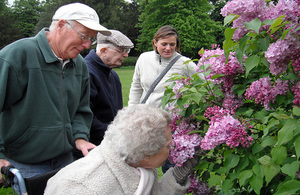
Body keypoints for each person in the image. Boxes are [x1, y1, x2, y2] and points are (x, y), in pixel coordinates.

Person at [0, 2, 111, 185]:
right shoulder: (18, 55)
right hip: (27, 162)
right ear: (60, 25)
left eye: (92, 39)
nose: (87, 45)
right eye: (84, 36)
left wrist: (80, 138)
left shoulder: (80, 65)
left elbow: (81, 111)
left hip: (66, 160)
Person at [44, 104, 199, 195]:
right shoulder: (83, 189)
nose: (173, 148)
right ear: (148, 154)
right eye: (168, 145)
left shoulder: (135, 161)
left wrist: (179, 174)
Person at [128, 25, 202, 173]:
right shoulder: (144, 59)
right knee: (144, 164)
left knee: (171, 167)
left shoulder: (185, 64)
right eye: (164, 44)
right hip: (146, 123)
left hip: (172, 125)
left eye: (172, 44)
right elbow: (136, 87)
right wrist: (131, 112)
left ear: (177, 45)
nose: (168, 48)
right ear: (155, 42)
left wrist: (192, 110)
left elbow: (204, 86)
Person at [85, 30, 134, 146]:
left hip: (110, 142)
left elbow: (117, 112)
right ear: (103, 50)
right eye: (121, 50)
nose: (126, 55)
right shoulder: (85, 72)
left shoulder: (113, 75)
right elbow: (84, 117)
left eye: (127, 51)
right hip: (90, 147)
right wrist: (115, 133)